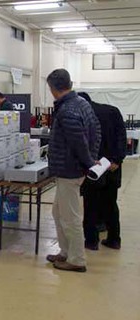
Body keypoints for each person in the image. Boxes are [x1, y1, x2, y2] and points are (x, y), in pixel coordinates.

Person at [45, 69, 101, 273]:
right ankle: (65, 251)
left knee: (70, 217)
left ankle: (77, 260)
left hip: (69, 170)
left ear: (53, 88)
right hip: (71, 169)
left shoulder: (67, 110)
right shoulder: (82, 103)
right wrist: (91, 158)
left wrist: (88, 163)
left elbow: (78, 142)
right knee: (58, 212)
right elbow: (96, 131)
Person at [77, 92, 126, 250]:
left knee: (90, 204)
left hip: (93, 166)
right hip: (112, 166)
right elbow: (122, 137)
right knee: (110, 203)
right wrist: (117, 160)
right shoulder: (113, 110)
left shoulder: (83, 115)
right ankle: (114, 240)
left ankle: (91, 242)